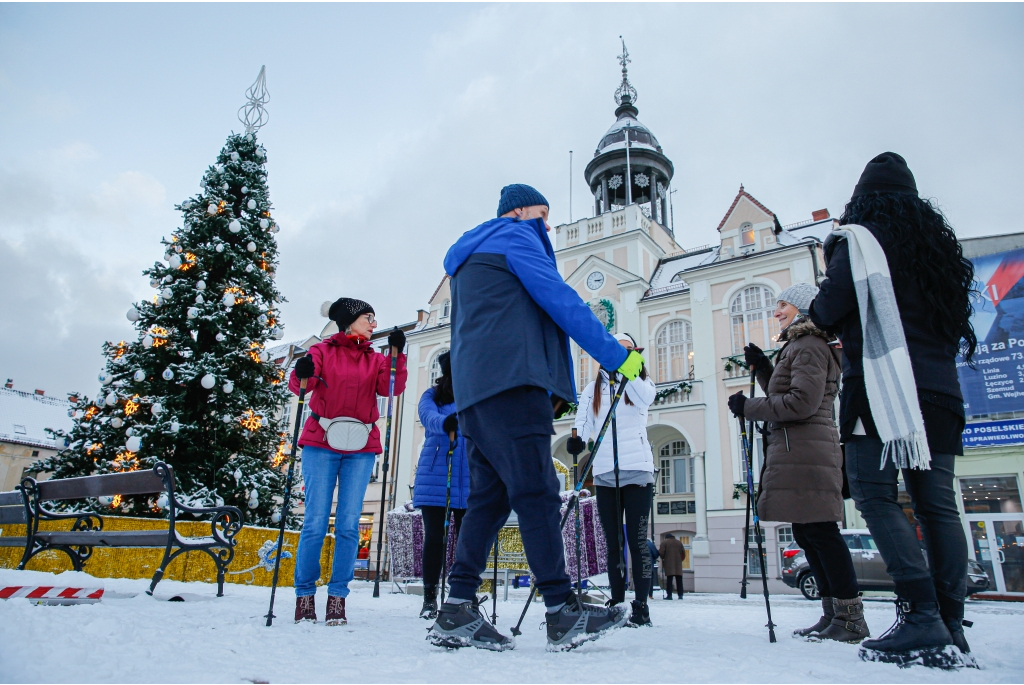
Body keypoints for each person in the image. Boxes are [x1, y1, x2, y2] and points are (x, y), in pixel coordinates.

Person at [427, 184, 645, 652]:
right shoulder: (515, 237)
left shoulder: (470, 256)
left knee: (489, 500)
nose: (547, 226)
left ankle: (457, 608)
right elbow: (561, 300)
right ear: (520, 211)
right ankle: (561, 609)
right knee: (538, 492)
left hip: (476, 394)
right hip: (512, 386)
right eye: (543, 215)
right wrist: (612, 354)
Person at [809, 153, 977, 666]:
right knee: (937, 503)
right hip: (942, 391)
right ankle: (950, 619)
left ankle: (920, 613)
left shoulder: (860, 239)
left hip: (882, 384)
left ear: (863, 198)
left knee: (874, 494)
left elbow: (827, 308)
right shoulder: (940, 251)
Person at [729, 283, 868, 642]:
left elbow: (801, 403)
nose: (776, 311)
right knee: (809, 533)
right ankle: (833, 614)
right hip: (800, 450)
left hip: (807, 450)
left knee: (820, 533)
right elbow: (790, 393)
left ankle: (850, 618)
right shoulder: (800, 345)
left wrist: (749, 408)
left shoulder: (808, 345)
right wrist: (764, 367)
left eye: (783, 304)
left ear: (804, 309)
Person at [289, 298, 408, 625]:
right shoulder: (323, 351)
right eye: (368, 318)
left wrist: (398, 356)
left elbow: (391, 387)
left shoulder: (377, 358)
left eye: (374, 319)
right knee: (314, 521)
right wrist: (302, 372)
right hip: (321, 440)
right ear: (349, 320)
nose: (373, 323)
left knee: (348, 524)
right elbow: (303, 385)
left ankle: (338, 596)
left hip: (360, 446)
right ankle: (304, 595)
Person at [571, 332, 657, 626]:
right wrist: (578, 439)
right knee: (613, 540)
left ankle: (641, 604)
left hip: (638, 471)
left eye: (627, 351)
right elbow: (583, 420)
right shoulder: (592, 389)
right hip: (606, 474)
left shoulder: (639, 383)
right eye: (615, 351)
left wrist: (629, 369)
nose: (620, 355)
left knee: (637, 539)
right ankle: (618, 601)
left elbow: (649, 397)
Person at [412, 351, 468, 620]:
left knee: (467, 542)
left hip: (470, 477)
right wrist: (444, 423)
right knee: (436, 538)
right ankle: (429, 597)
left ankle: (462, 594)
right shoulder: (432, 395)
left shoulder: (475, 393)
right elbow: (427, 416)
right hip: (437, 475)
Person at [658, 533, 684, 599]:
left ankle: (669, 595)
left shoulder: (665, 542)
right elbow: (683, 553)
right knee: (679, 580)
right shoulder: (679, 542)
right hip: (678, 564)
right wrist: (680, 560)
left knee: (669, 580)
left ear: (666, 537)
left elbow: (661, 553)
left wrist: (663, 558)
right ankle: (680, 595)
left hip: (668, 563)